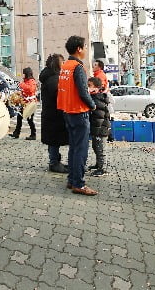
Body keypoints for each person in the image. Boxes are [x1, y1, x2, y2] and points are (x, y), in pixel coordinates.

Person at [57, 36, 97, 196]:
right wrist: (92, 105)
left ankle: (72, 179)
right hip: (79, 112)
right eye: (85, 46)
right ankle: (79, 183)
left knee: (74, 148)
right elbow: (83, 91)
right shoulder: (78, 67)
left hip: (67, 111)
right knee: (81, 149)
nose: (86, 49)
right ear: (79, 49)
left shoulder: (66, 65)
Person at [39, 54, 69, 173]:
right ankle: (54, 163)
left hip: (52, 114)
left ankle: (55, 161)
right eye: (62, 62)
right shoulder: (53, 79)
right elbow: (58, 96)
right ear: (57, 64)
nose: (64, 64)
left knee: (54, 140)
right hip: (54, 115)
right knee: (54, 140)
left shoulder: (51, 76)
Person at [87, 77, 111, 176]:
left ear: (97, 88)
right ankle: (98, 164)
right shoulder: (95, 97)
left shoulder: (97, 98)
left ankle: (102, 168)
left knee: (100, 149)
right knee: (96, 147)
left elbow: (99, 116)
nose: (88, 88)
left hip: (101, 129)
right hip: (97, 128)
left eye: (89, 86)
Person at [10, 67, 37, 140]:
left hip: (30, 104)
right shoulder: (25, 81)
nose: (22, 75)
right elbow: (25, 91)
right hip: (24, 103)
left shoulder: (32, 81)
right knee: (19, 117)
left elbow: (30, 90)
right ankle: (16, 133)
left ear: (26, 74)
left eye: (23, 73)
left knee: (30, 119)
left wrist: (22, 85)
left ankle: (33, 134)